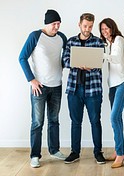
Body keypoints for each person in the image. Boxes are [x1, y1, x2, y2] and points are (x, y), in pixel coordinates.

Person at [19, 9, 67, 168]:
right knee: (37, 122)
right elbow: (22, 57)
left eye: (59, 24)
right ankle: (35, 155)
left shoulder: (62, 38)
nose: (57, 27)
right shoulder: (35, 36)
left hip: (57, 86)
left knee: (54, 120)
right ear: (47, 23)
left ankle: (54, 150)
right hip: (39, 87)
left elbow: (65, 58)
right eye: (54, 24)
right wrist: (31, 80)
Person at [62, 13, 106, 164]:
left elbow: (100, 62)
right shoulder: (70, 41)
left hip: (93, 90)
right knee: (75, 122)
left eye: (90, 26)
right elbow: (65, 61)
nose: (87, 29)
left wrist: (90, 66)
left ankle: (98, 152)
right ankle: (75, 152)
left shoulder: (98, 42)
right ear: (79, 25)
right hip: (74, 89)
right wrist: (77, 63)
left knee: (95, 121)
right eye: (85, 26)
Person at [99, 18, 124, 168]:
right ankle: (118, 150)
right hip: (113, 85)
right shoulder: (110, 44)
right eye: (102, 30)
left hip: (123, 83)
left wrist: (101, 55)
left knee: (114, 117)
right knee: (116, 119)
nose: (104, 31)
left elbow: (117, 59)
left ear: (112, 28)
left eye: (106, 28)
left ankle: (120, 154)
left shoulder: (119, 40)